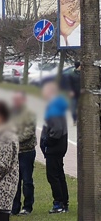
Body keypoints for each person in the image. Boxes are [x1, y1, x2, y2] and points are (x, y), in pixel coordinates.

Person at [40, 80, 69, 213]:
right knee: (59, 174)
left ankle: (59, 203)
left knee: (53, 176)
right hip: (58, 147)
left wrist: (47, 141)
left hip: (54, 148)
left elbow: (56, 130)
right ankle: (64, 201)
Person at [10, 92, 36, 216]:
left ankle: (28, 206)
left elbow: (29, 132)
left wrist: (14, 139)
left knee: (27, 180)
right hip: (15, 152)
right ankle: (15, 207)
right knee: (15, 180)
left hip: (26, 151)